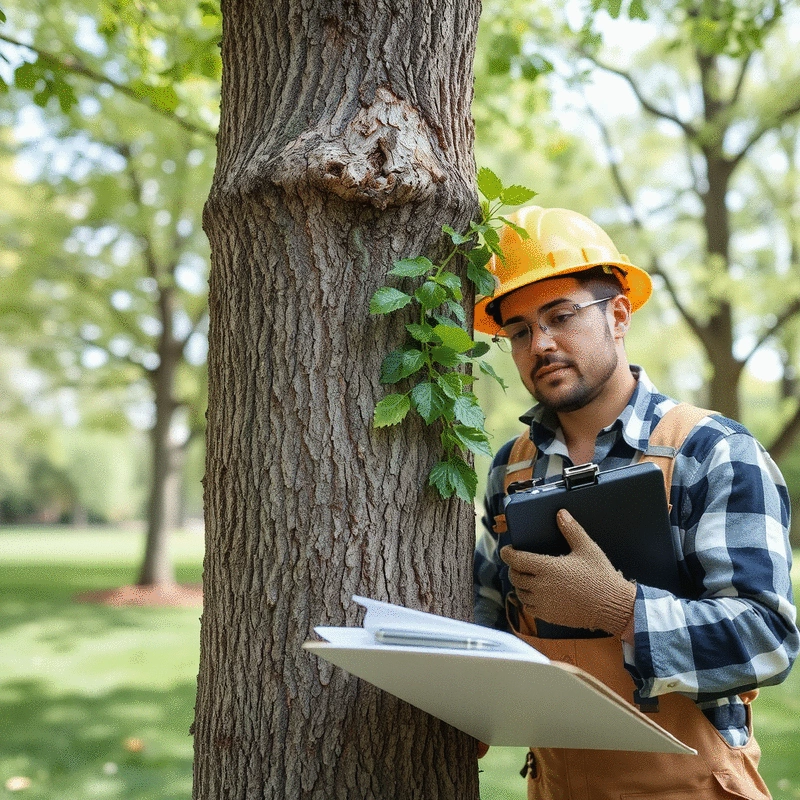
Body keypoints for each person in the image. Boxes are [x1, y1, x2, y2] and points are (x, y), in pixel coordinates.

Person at [472, 205, 799, 800]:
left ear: (618, 315)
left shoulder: (714, 451)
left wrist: (621, 608)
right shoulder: (510, 466)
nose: (539, 343)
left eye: (560, 316)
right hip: (560, 786)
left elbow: (768, 640)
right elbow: (488, 618)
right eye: (519, 331)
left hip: (691, 786)